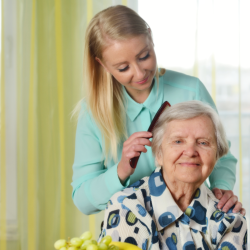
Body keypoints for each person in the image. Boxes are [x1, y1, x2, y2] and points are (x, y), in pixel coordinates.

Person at [71, 5, 243, 216]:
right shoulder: (93, 113)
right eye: (123, 68)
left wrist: (222, 188)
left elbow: (221, 155)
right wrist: (121, 169)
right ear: (103, 65)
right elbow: (82, 200)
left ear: (151, 38)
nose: (140, 72)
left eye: (144, 56)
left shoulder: (191, 90)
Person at [99, 101, 247, 250]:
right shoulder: (126, 207)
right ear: (158, 154)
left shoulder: (231, 218)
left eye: (203, 143)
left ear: (216, 156)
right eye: (178, 141)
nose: (190, 152)